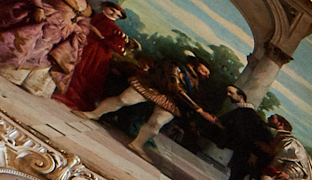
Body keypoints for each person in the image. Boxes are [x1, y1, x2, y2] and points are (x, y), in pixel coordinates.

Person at [81, 51, 217, 154]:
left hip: (170, 99)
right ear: (194, 64)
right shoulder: (175, 67)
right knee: (124, 100)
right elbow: (175, 88)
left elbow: (188, 96)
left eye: (207, 74)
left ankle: (137, 144)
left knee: (157, 122)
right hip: (152, 87)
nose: (206, 75)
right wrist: (199, 110)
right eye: (204, 71)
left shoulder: (196, 83)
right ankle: (94, 114)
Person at [201, 85, 275, 180]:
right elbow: (231, 129)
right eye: (227, 92)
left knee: (237, 175)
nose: (228, 95)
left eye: (231, 92)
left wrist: (253, 153)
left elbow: (250, 136)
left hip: (249, 152)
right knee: (236, 174)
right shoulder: (240, 111)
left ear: (240, 96)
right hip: (243, 149)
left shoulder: (248, 114)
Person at [53, 0, 130, 110]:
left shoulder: (115, 29)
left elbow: (120, 50)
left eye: (116, 15)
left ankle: (71, 97)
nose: (112, 14)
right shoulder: (94, 16)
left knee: (82, 72)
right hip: (84, 43)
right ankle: (60, 89)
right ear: (104, 6)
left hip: (96, 53)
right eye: (112, 10)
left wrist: (102, 38)